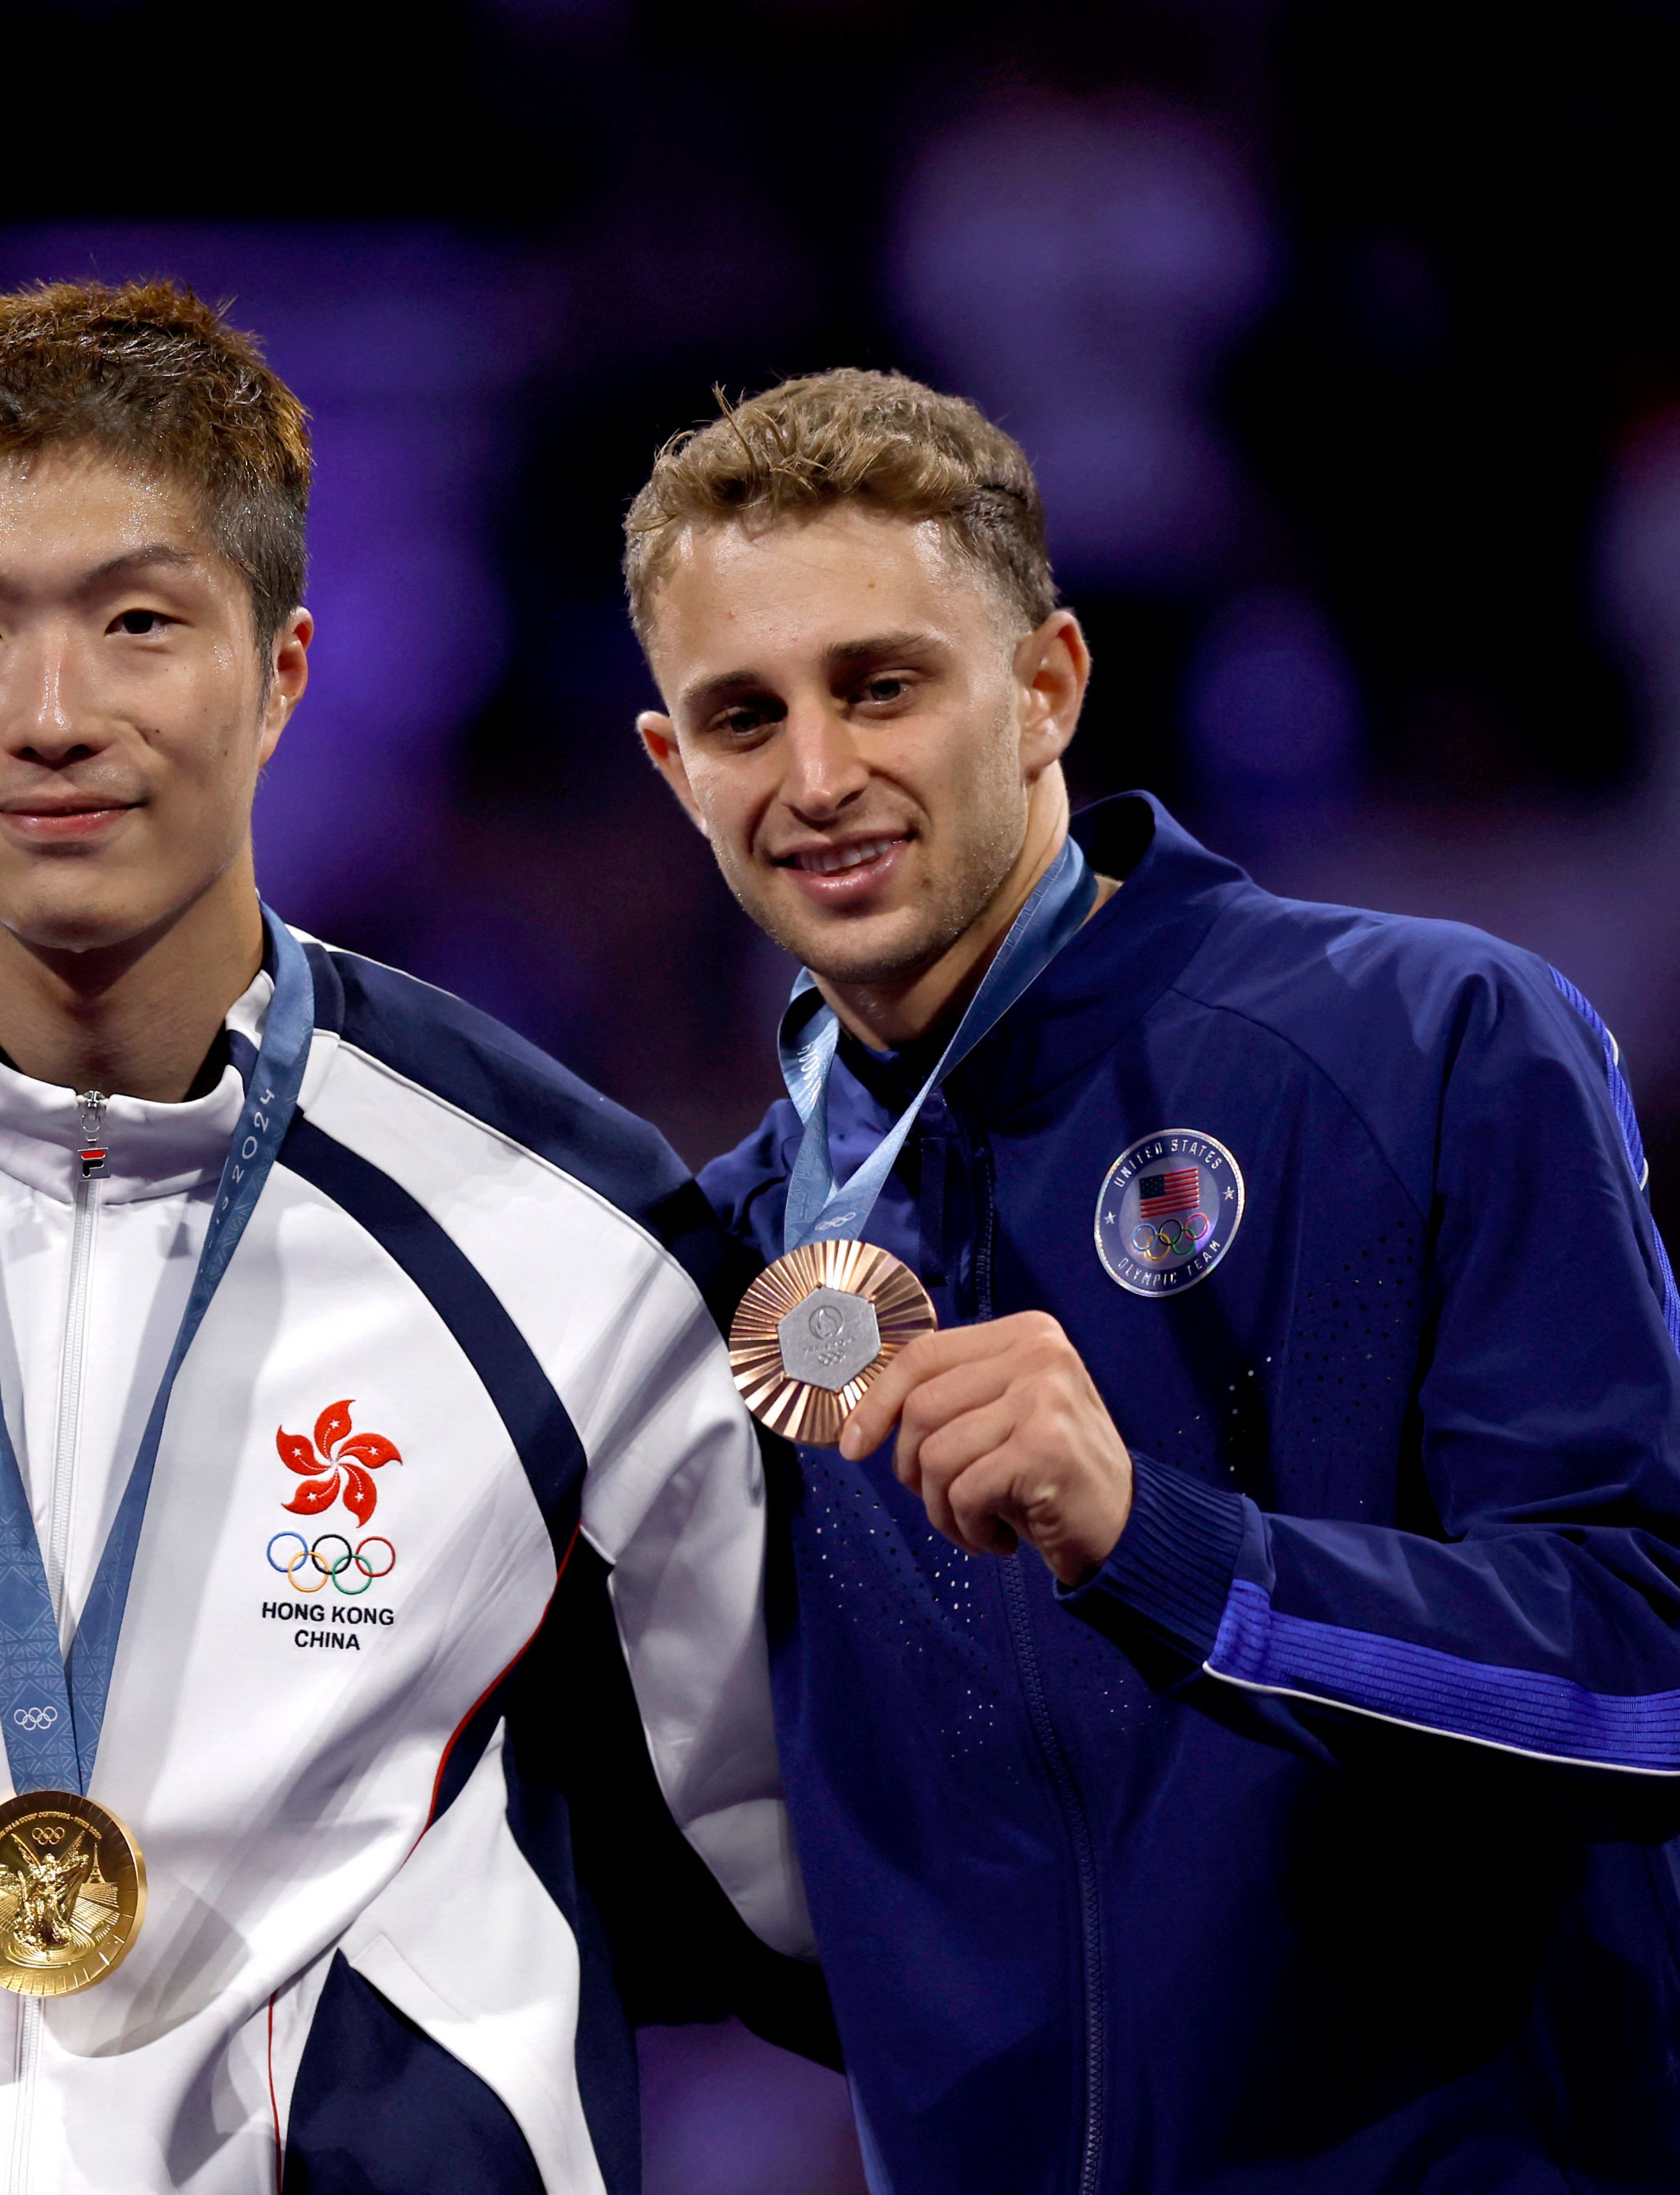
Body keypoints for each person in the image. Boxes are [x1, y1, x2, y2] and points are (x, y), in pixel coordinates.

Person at [0, 279, 820, 2195]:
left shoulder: (570, 1232)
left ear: (283, 668)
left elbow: (770, 1880)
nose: (54, 716)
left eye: (140, 622)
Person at [630, 368, 1680, 2191]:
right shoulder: (716, 1264)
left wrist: (1162, 1546)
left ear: (1044, 687)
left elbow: (1647, 1674)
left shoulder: (1424, 1040)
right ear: (672, 766)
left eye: (881, 685)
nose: (812, 776)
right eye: (743, 714)